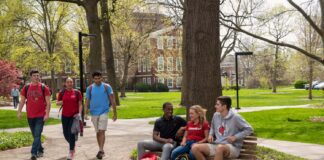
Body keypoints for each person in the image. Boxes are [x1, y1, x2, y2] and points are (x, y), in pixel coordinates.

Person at [17, 70, 51, 160]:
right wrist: (19, 111)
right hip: (30, 115)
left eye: (38, 75)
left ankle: (33, 153)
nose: (37, 77)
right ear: (31, 77)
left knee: (37, 134)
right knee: (35, 135)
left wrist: (47, 114)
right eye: (34, 75)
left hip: (40, 115)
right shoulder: (26, 87)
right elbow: (22, 101)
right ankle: (40, 149)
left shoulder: (44, 87)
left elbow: (48, 102)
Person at [85, 71, 117, 160]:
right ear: (93, 79)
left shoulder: (107, 87)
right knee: (98, 132)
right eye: (95, 78)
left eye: (99, 78)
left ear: (101, 78)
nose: (97, 80)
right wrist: (85, 112)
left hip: (104, 112)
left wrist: (115, 113)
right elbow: (87, 101)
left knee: (102, 131)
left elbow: (112, 100)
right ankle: (100, 149)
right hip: (94, 113)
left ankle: (101, 149)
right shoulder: (90, 88)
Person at [56, 78, 83, 160]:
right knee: (65, 134)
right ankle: (73, 144)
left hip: (74, 116)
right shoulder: (62, 92)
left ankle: (71, 151)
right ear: (65, 83)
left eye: (71, 82)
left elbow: (80, 104)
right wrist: (62, 101)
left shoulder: (77, 92)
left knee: (71, 133)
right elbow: (57, 103)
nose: (69, 83)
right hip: (64, 116)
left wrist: (79, 114)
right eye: (68, 82)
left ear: (73, 83)